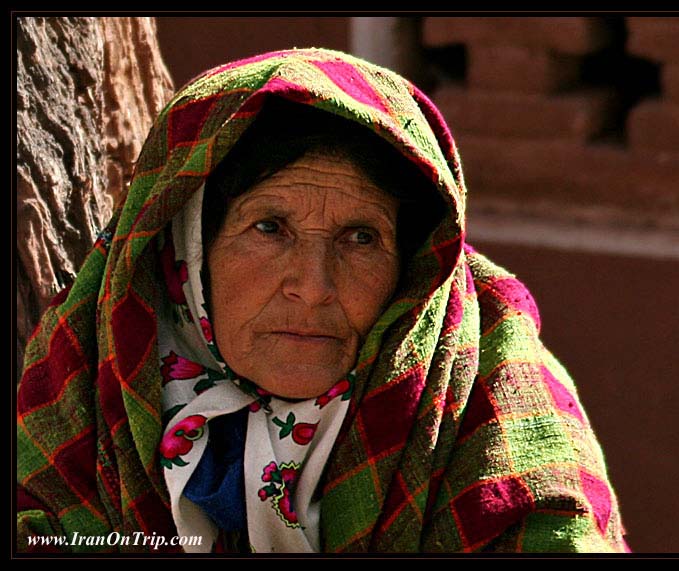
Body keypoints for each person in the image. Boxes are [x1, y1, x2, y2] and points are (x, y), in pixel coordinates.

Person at [17, 48, 630, 553]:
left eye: (361, 238)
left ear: (411, 268)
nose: (313, 286)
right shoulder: (86, 386)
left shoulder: (492, 402)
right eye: (269, 229)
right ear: (185, 247)